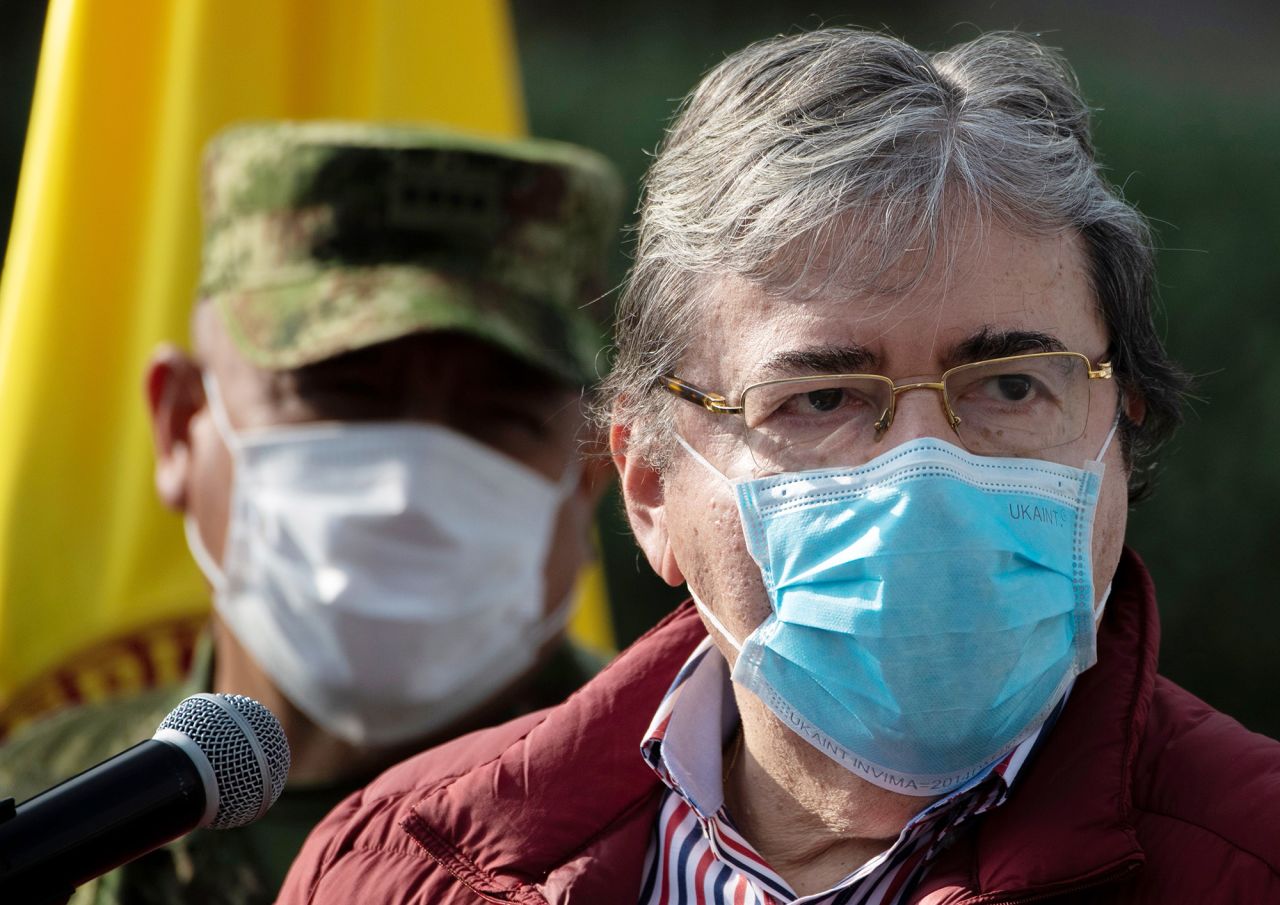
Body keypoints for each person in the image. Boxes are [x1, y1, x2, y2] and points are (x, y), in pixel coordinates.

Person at [278, 30, 1280, 905]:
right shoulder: (396, 864)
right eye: (821, 398)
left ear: (1119, 424)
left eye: (1010, 385)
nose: (919, 468)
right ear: (649, 486)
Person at [0, 121, 622, 904]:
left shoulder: (695, 838)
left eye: (499, 414)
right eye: (345, 390)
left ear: (594, 475)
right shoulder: (36, 814)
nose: (408, 487)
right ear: (180, 423)